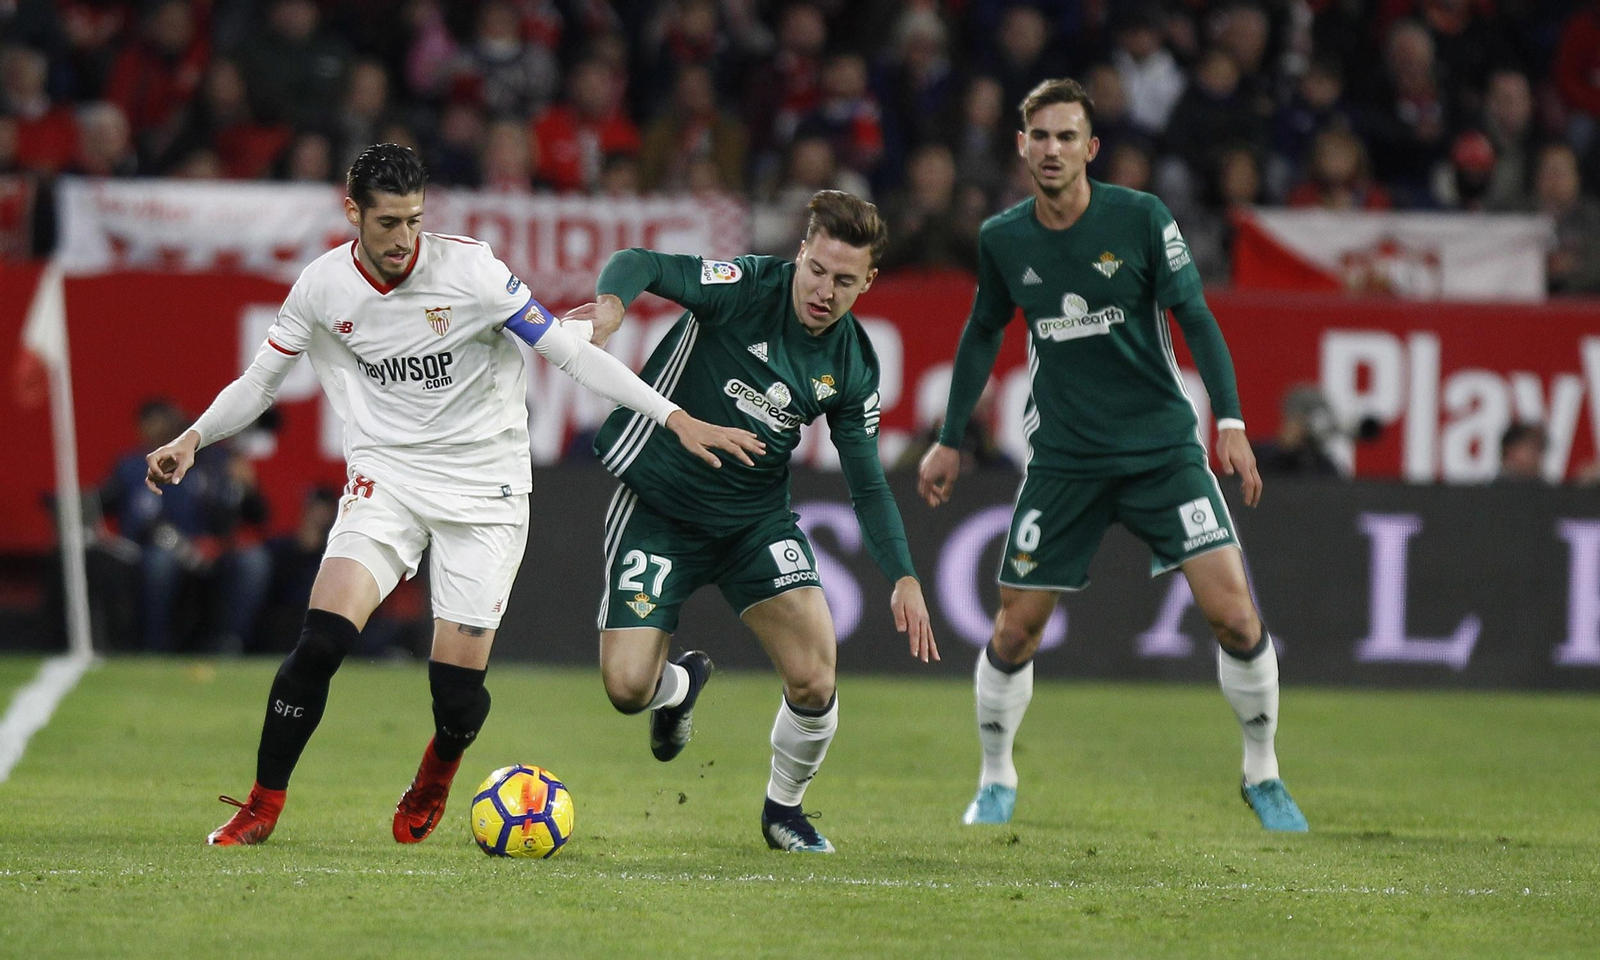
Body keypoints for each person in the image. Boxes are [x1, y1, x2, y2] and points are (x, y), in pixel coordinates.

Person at [143, 143, 763, 847]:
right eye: (387, 223)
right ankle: (261, 806)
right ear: (352, 213)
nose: (404, 239)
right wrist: (192, 439)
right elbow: (259, 382)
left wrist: (674, 417)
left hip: (485, 488)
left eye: (414, 219)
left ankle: (439, 768)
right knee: (319, 644)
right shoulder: (321, 287)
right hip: (389, 480)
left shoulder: (470, 270)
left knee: (456, 696)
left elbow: (566, 353)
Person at [917, 79, 1307, 833]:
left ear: (1091, 149)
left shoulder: (1140, 218)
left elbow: (1194, 313)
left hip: (1163, 452)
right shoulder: (1004, 238)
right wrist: (948, 436)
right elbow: (980, 334)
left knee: (1234, 616)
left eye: (1068, 136)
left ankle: (1263, 772)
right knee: (1013, 630)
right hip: (1064, 460)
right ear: (1021, 147)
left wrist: (1229, 420)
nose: (1053, 149)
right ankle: (996, 778)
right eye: (1041, 136)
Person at [562, 189, 939, 853]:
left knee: (816, 678)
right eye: (817, 270)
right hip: (659, 507)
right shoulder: (744, 287)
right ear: (801, 254)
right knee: (626, 689)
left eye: (845, 281)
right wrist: (613, 307)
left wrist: (904, 574)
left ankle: (784, 812)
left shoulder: (852, 363)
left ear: (868, 282)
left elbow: (868, 481)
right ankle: (677, 688)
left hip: (752, 525)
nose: (824, 290)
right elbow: (640, 259)